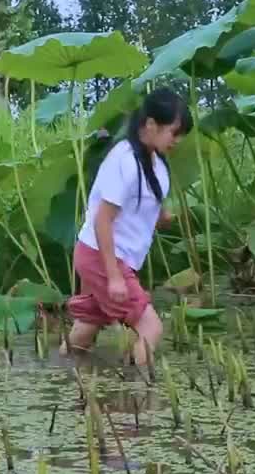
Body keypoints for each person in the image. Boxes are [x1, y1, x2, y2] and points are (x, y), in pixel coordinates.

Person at [62, 86, 191, 368]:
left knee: (89, 324)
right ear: (151, 124)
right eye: (174, 132)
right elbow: (102, 219)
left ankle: (60, 372)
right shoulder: (125, 160)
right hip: (102, 256)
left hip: (105, 255)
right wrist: (114, 276)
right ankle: (138, 392)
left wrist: (162, 218)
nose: (177, 140)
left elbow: (140, 204)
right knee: (151, 328)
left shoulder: (155, 160)